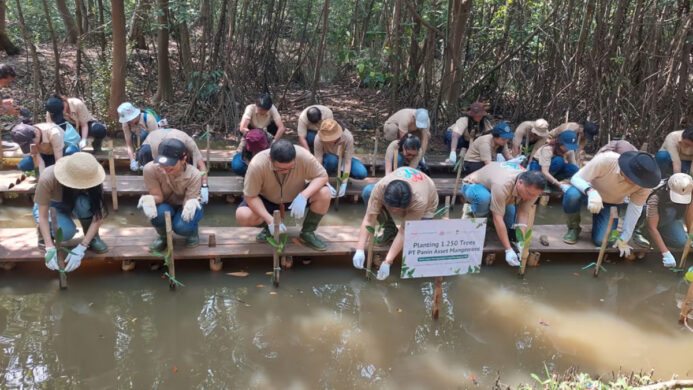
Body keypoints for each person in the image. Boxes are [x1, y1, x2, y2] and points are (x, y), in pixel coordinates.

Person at [235, 139, 331, 251]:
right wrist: (270, 220)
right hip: (267, 199)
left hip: (295, 196)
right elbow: (250, 196)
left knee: (325, 193)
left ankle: (307, 233)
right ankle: (268, 228)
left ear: (295, 158)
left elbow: (322, 176)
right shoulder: (257, 164)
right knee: (242, 215)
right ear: (270, 159)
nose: (285, 171)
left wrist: (304, 195)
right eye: (280, 169)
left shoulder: (304, 156)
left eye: (290, 168)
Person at [562, 151, 660, 251]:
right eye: (634, 178)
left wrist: (625, 237)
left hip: (611, 203)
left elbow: (635, 208)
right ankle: (573, 228)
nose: (636, 183)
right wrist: (590, 192)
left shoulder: (645, 184)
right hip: (588, 194)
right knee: (572, 195)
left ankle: (599, 224)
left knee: (602, 241)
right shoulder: (606, 160)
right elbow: (576, 178)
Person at [352, 167, 439, 280]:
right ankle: (390, 228)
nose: (395, 212)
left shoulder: (419, 201)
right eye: (392, 208)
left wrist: (388, 262)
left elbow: (404, 231)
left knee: (416, 238)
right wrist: (359, 249)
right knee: (368, 191)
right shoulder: (380, 188)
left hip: (428, 200)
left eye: (398, 209)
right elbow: (369, 219)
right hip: (404, 189)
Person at [35, 152, 109, 272]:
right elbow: (42, 215)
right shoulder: (48, 177)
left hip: (74, 203)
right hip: (52, 206)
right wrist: (49, 247)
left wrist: (82, 247)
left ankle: (93, 238)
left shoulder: (93, 178)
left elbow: (98, 216)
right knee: (65, 233)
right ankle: (44, 233)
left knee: (84, 203)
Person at [462, 164, 546, 266]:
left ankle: (490, 214)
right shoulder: (502, 184)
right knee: (484, 199)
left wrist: (521, 240)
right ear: (520, 183)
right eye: (529, 194)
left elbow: (523, 213)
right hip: (474, 186)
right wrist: (508, 250)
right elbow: (498, 217)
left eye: (535, 195)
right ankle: (476, 217)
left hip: (503, 196)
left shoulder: (533, 191)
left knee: (509, 226)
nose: (531, 198)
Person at [138, 138, 204, 249]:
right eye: (162, 163)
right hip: (165, 203)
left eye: (170, 163)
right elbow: (158, 197)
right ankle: (163, 236)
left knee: (182, 226)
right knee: (157, 215)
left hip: (186, 204)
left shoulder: (195, 175)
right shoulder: (150, 169)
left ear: (183, 159)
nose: (165, 167)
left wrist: (191, 204)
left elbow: (188, 203)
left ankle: (192, 232)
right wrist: (149, 199)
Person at [632, 173, 693, 267]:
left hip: (668, 219)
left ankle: (659, 234)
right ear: (669, 188)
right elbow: (651, 227)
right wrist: (666, 253)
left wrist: (691, 236)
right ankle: (641, 231)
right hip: (647, 218)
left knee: (680, 242)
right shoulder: (655, 195)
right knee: (669, 213)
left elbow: (689, 213)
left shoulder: (688, 190)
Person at [137, 128, 209, 203]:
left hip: (181, 153)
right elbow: (156, 165)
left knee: (187, 171)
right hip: (151, 144)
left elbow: (201, 165)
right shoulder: (156, 146)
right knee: (150, 164)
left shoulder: (189, 143)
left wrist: (204, 186)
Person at [361, 134, 424, 204]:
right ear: (403, 147)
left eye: (413, 155)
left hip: (408, 174)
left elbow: (409, 173)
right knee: (367, 191)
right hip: (394, 169)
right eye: (409, 154)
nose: (411, 157)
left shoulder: (419, 151)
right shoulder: (394, 145)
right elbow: (388, 173)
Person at [314, 119, 368, 198]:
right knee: (332, 160)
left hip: (344, 160)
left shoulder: (347, 137)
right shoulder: (318, 138)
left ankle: (342, 175)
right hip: (329, 160)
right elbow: (318, 160)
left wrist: (344, 183)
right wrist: (323, 181)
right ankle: (328, 175)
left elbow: (347, 161)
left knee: (362, 173)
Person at [12, 122, 79, 173]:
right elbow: (39, 160)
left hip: (62, 153)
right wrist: (42, 177)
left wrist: (57, 175)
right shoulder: (29, 136)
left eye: (31, 143)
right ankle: (48, 169)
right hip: (47, 156)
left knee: (70, 152)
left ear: (36, 134)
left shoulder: (54, 133)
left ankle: (71, 173)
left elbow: (59, 160)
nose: (31, 145)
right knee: (24, 165)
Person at [118, 102, 161, 172]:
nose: (129, 122)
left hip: (151, 147)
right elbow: (129, 144)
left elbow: (156, 141)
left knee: (143, 137)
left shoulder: (148, 119)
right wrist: (132, 160)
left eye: (129, 119)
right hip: (138, 148)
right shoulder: (126, 124)